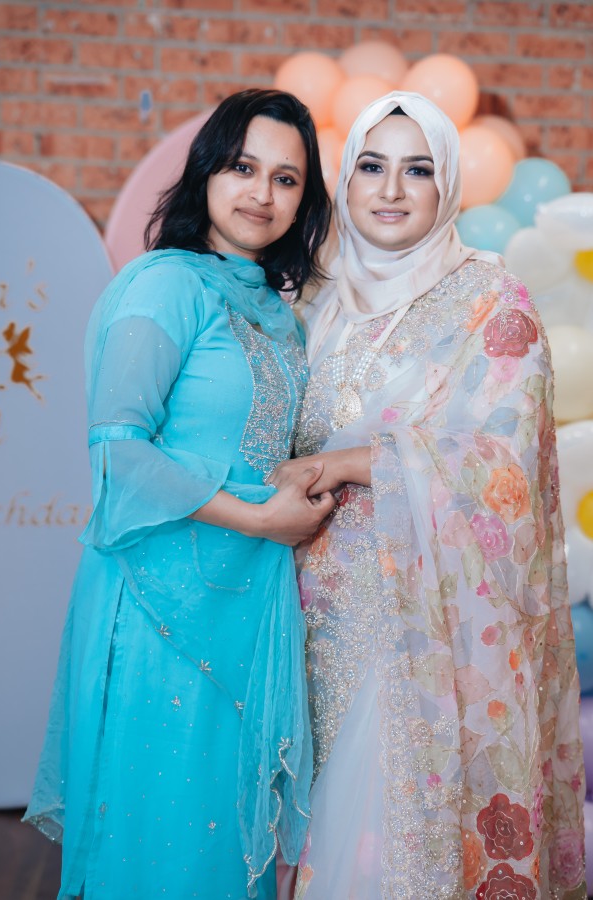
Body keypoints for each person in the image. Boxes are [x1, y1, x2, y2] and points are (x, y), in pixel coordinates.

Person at [270, 92, 586, 899]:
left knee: (393, 842)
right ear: (345, 178)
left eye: (418, 170)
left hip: (424, 623)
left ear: (446, 185)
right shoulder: (315, 303)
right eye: (371, 166)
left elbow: (507, 464)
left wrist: (351, 463)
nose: (391, 190)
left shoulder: (491, 298)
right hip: (306, 619)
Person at [24, 88, 336, 900]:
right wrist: (260, 518)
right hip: (159, 599)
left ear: (305, 199)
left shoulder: (279, 313)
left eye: (286, 179)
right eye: (243, 168)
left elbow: (268, 446)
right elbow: (119, 450)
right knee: (159, 832)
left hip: (248, 601)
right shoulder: (165, 286)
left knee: (226, 839)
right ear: (206, 173)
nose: (261, 194)